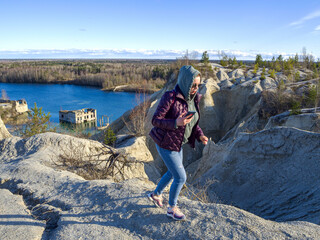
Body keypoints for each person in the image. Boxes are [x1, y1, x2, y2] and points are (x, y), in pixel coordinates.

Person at [148, 65, 208, 221]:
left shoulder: (194, 99)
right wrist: (176, 122)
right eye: (193, 85)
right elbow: (156, 120)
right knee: (181, 177)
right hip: (165, 144)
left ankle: (156, 195)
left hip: (177, 144)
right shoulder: (170, 97)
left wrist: (200, 135)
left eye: (198, 85)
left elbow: (192, 122)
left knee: (171, 172)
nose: (195, 88)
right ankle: (172, 208)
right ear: (185, 82)